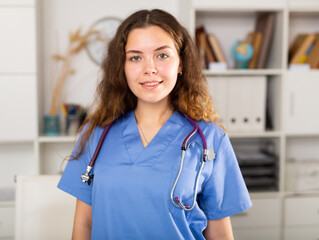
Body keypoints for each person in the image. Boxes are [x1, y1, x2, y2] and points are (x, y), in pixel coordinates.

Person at [58, 9, 252, 240]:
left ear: (181, 63)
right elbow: (84, 224)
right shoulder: (95, 135)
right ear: (123, 67)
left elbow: (219, 234)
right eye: (135, 57)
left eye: (162, 55)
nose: (149, 68)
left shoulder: (210, 139)